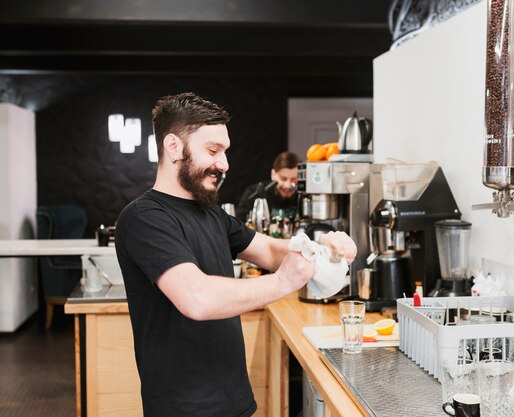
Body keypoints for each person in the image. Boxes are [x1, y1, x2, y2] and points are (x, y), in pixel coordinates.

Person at [114, 92, 356, 417]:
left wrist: (322, 247)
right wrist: (284, 281)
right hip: (183, 409)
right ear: (173, 146)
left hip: (235, 402)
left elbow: (269, 250)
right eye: (213, 151)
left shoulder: (211, 214)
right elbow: (197, 298)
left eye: (225, 151)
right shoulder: (144, 218)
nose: (224, 164)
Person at [235, 151, 301, 222]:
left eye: (293, 180)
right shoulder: (254, 192)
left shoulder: (304, 195)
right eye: (283, 179)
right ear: (273, 174)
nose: (287, 185)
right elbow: (239, 222)